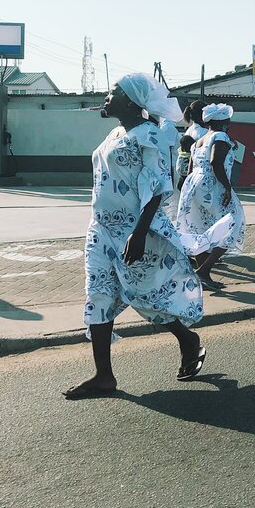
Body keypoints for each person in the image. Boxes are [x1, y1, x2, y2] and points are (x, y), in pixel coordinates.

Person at [64, 74, 205, 399]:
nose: (106, 95)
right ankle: (103, 376)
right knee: (98, 294)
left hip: (136, 230)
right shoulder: (115, 133)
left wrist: (139, 233)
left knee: (145, 295)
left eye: (113, 92)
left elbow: (156, 186)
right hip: (101, 230)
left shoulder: (149, 135)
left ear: (130, 100)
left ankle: (187, 339)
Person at [176, 103, 247, 290]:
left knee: (200, 228)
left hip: (194, 184)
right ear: (223, 121)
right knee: (234, 223)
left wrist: (190, 188)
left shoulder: (200, 138)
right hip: (213, 184)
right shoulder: (220, 136)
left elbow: (191, 167)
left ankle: (203, 274)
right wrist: (226, 187)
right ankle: (203, 269)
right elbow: (216, 162)